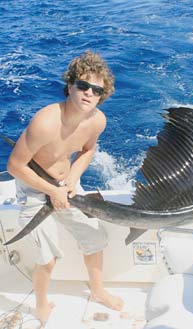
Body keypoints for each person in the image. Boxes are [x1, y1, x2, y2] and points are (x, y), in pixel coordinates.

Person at [7, 50, 123, 325]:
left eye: (97, 90)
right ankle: (41, 305)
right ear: (70, 85)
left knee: (95, 237)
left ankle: (97, 291)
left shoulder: (97, 121)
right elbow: (15, 166)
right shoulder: (46, 122)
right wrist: (52, 191)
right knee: (47, 259)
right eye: (83, 85)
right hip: (34, 186)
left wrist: (73, 176)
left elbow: (87, 150)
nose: (89, 93)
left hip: (67, 184)